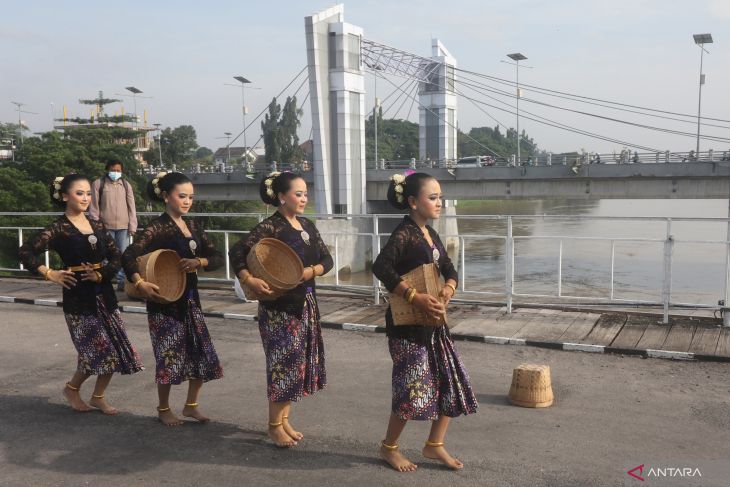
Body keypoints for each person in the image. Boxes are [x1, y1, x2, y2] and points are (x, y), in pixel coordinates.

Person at [372, 172, 478, 472]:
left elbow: (449, 268)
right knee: (411, 389)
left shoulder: (432, 234)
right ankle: (389, 447)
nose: (439, 203)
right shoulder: (404, 233)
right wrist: (413, 296)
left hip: (434, 324)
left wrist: (449, 288)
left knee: (450, 382)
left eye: (440, 197)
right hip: (408, 328)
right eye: (432, 198)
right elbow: (381, 266)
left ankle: (434, 445)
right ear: (413, 202)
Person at [18, 174, 143, 415]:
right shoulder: (59, 228)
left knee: (114, 347)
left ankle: (97, 396)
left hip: (104, 293)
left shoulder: (97, 225)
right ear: (65, 196)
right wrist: (49, 273)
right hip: (78, 297)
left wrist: (102, 274)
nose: (86, 198)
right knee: (96, 349)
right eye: (79, 193)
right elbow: (25, 252)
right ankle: (72, 388)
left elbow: (117, 255)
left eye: (88, 193)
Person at [228, 171, 332, 448]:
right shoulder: (270, 227)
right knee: (283, 365)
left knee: (297, 365)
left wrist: (311, 270)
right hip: (280, 309)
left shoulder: (307, 225)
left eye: (305, 193)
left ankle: (284, 420)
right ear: (282, 196)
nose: (303, 198)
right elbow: (237, 252)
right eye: (298, 194)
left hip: (307, 304)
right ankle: (274, 426)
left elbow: (327, 259)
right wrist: (249, 278)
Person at [122, 172, 223, 426]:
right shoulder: (157, 227)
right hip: (164, 303)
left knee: (200, 353)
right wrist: (139, 281)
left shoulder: (194, 226)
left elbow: (218, 256)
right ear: (166, 196)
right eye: (182, 196)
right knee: (169, 356)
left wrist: (200, 261)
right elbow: (129, 255)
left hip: (191, 299)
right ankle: (163, 408)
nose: (187, 201)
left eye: (190, 197)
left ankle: (190, 406)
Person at [89, 161, 138, 291]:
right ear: (107, 169)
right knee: (106, 256)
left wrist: (133, 225)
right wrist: (96, 226)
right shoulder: (98, 184)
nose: (115, 172)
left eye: (118, 170)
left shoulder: (126, 185)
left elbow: (131, 207)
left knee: (123, 255)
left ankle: (122, 282)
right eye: (113, 169)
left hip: (123, 226)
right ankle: (105, 280)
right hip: (105, 226)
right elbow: (94, 207)